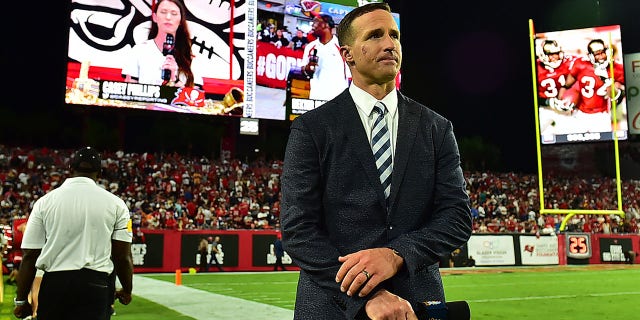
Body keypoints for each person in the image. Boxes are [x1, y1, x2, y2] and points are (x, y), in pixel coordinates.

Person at [280, 3, 472, 320]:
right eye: (374, 35)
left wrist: (396, 255)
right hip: (334, 306)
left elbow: (456, 217)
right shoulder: (312, 128)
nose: (389, 44)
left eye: (393, 35)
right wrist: (368, 295)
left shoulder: (437, 127)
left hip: (417, 306)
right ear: (347, 55)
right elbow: (299, 230)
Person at [13, 147, 134, 320]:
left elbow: (30, 254)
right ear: (99, 172)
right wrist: (127, 290)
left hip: (55, 285)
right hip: (95, 285)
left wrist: (21, 300)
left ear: (70, 168)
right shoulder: (117, 204)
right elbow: (122, 256)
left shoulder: (44, 202)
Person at [122, 0, 202, 88]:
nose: (168, 17)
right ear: (155, 17)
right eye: (163, 12)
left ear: (180, 20)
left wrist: (175, 79)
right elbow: (130, 93)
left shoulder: (190, 56)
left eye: (174, 13)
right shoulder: (139, 51)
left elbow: (196, 97)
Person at [558, 38, 626, 133]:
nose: (601, 56)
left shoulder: (616, 68)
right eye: (597, 54)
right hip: (580, 113)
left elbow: (621, 94)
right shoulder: (580, 64)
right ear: (590, 55)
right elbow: (566, 86)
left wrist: (607, 81)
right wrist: (561, 100)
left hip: (601, 115)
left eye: (602, 52)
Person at [300, 13, 351, 101]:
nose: (312, 25)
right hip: (316, 98)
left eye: (316, 22)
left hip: (338, 101)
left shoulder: (342, 47)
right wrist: (308, 68)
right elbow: (303, 71)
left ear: (326, 25)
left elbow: (351, 75)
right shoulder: (310, 47)